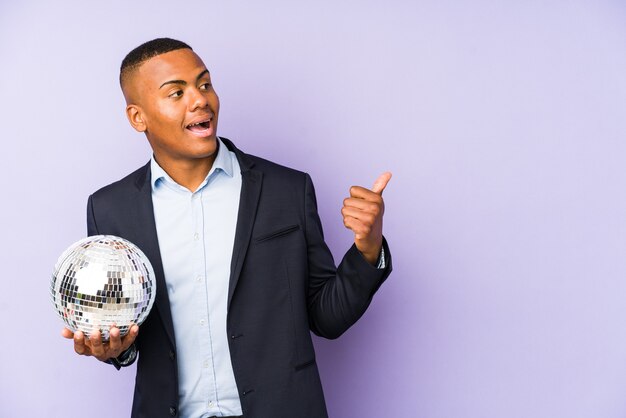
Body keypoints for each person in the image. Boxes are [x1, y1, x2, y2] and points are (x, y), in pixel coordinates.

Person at [61, 38, 392, 418]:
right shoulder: (110, 209)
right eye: (176, 92)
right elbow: (117, 326)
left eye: (204, 84)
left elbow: (326, 317)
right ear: (138, 117)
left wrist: (367, 249)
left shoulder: (287, 189)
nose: (200, 100)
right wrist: (114, 349)